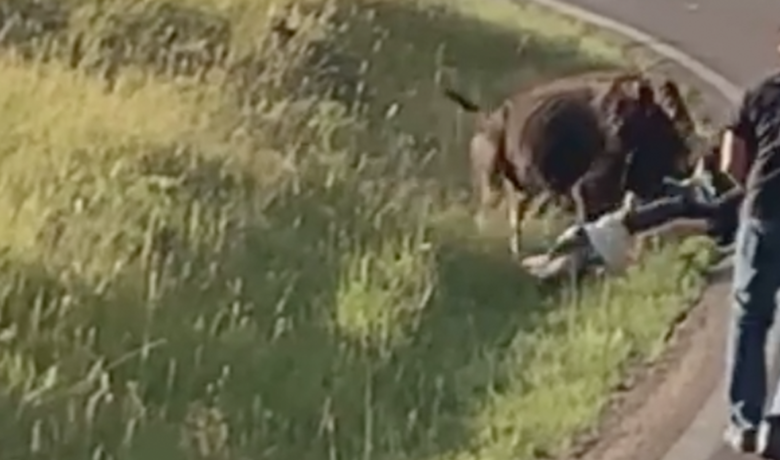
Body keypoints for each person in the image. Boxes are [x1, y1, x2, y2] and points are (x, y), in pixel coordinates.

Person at [720, 70, 780, 458]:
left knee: (750, 317)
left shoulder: (759, 95)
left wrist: (751, 190)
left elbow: (730, 162)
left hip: (764, 212)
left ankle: (745, 423)